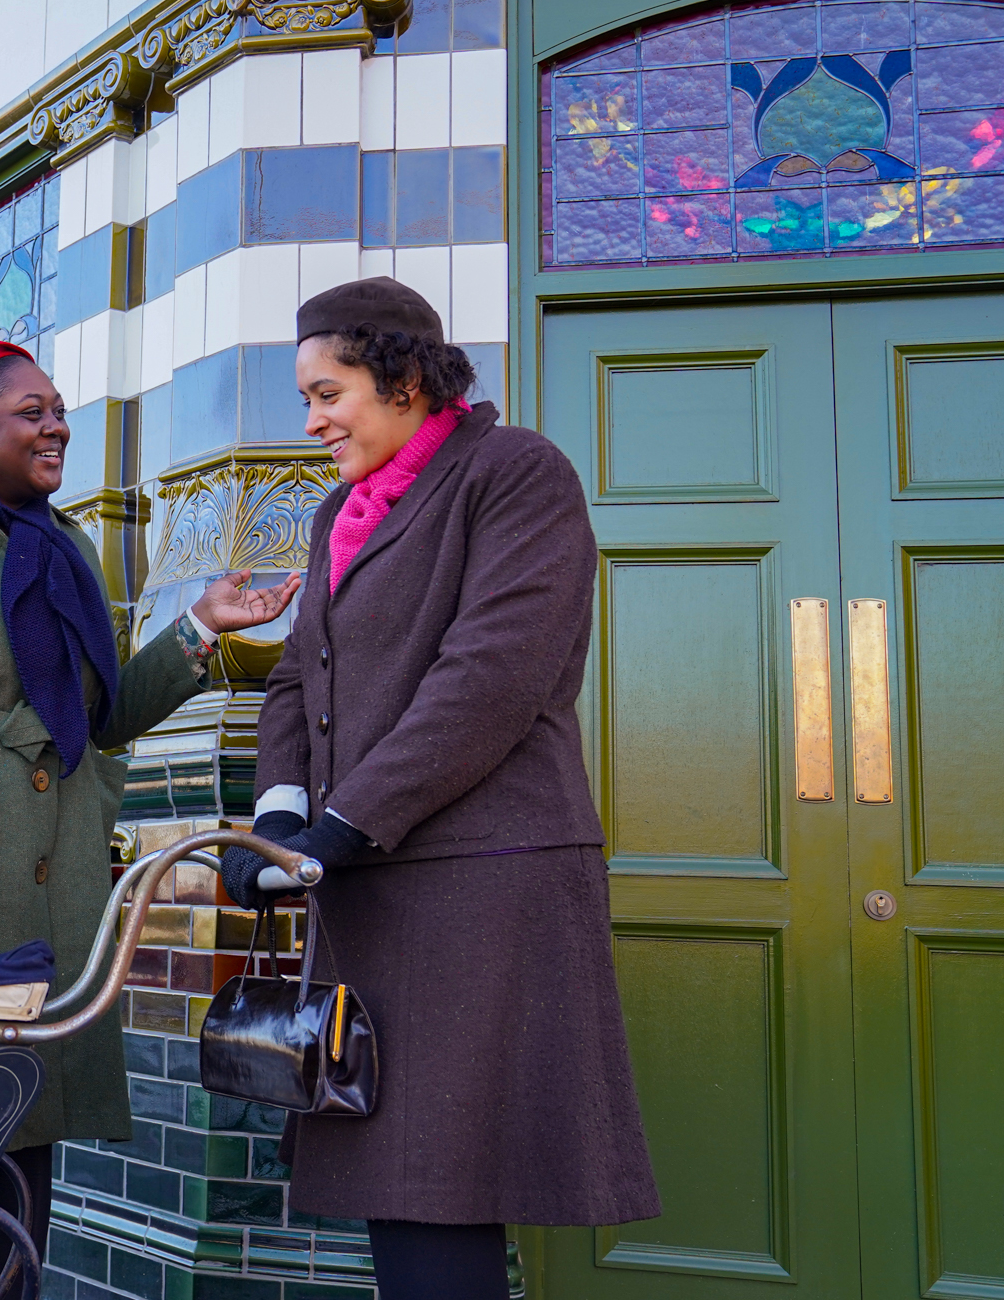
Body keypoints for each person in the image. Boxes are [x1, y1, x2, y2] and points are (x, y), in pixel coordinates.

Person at [0, 339, 301, 1299]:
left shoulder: (63, 545)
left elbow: (97, 714)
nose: (57, 424)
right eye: (32, 410)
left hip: (53, 879)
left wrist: (197, 629)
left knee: (25, 1135)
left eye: (60, 408)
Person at [219, 278, 660, 1299]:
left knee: (441, 1186)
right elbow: (295, 679)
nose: (312, 421)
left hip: (478, 890)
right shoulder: (340, 509)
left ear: (405, 379)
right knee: (400, 1189)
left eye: (327, 393)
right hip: (370, 885)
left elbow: (491, 676)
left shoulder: (513, 474)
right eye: (306, 398)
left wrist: (338, 826)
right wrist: (280, 816)